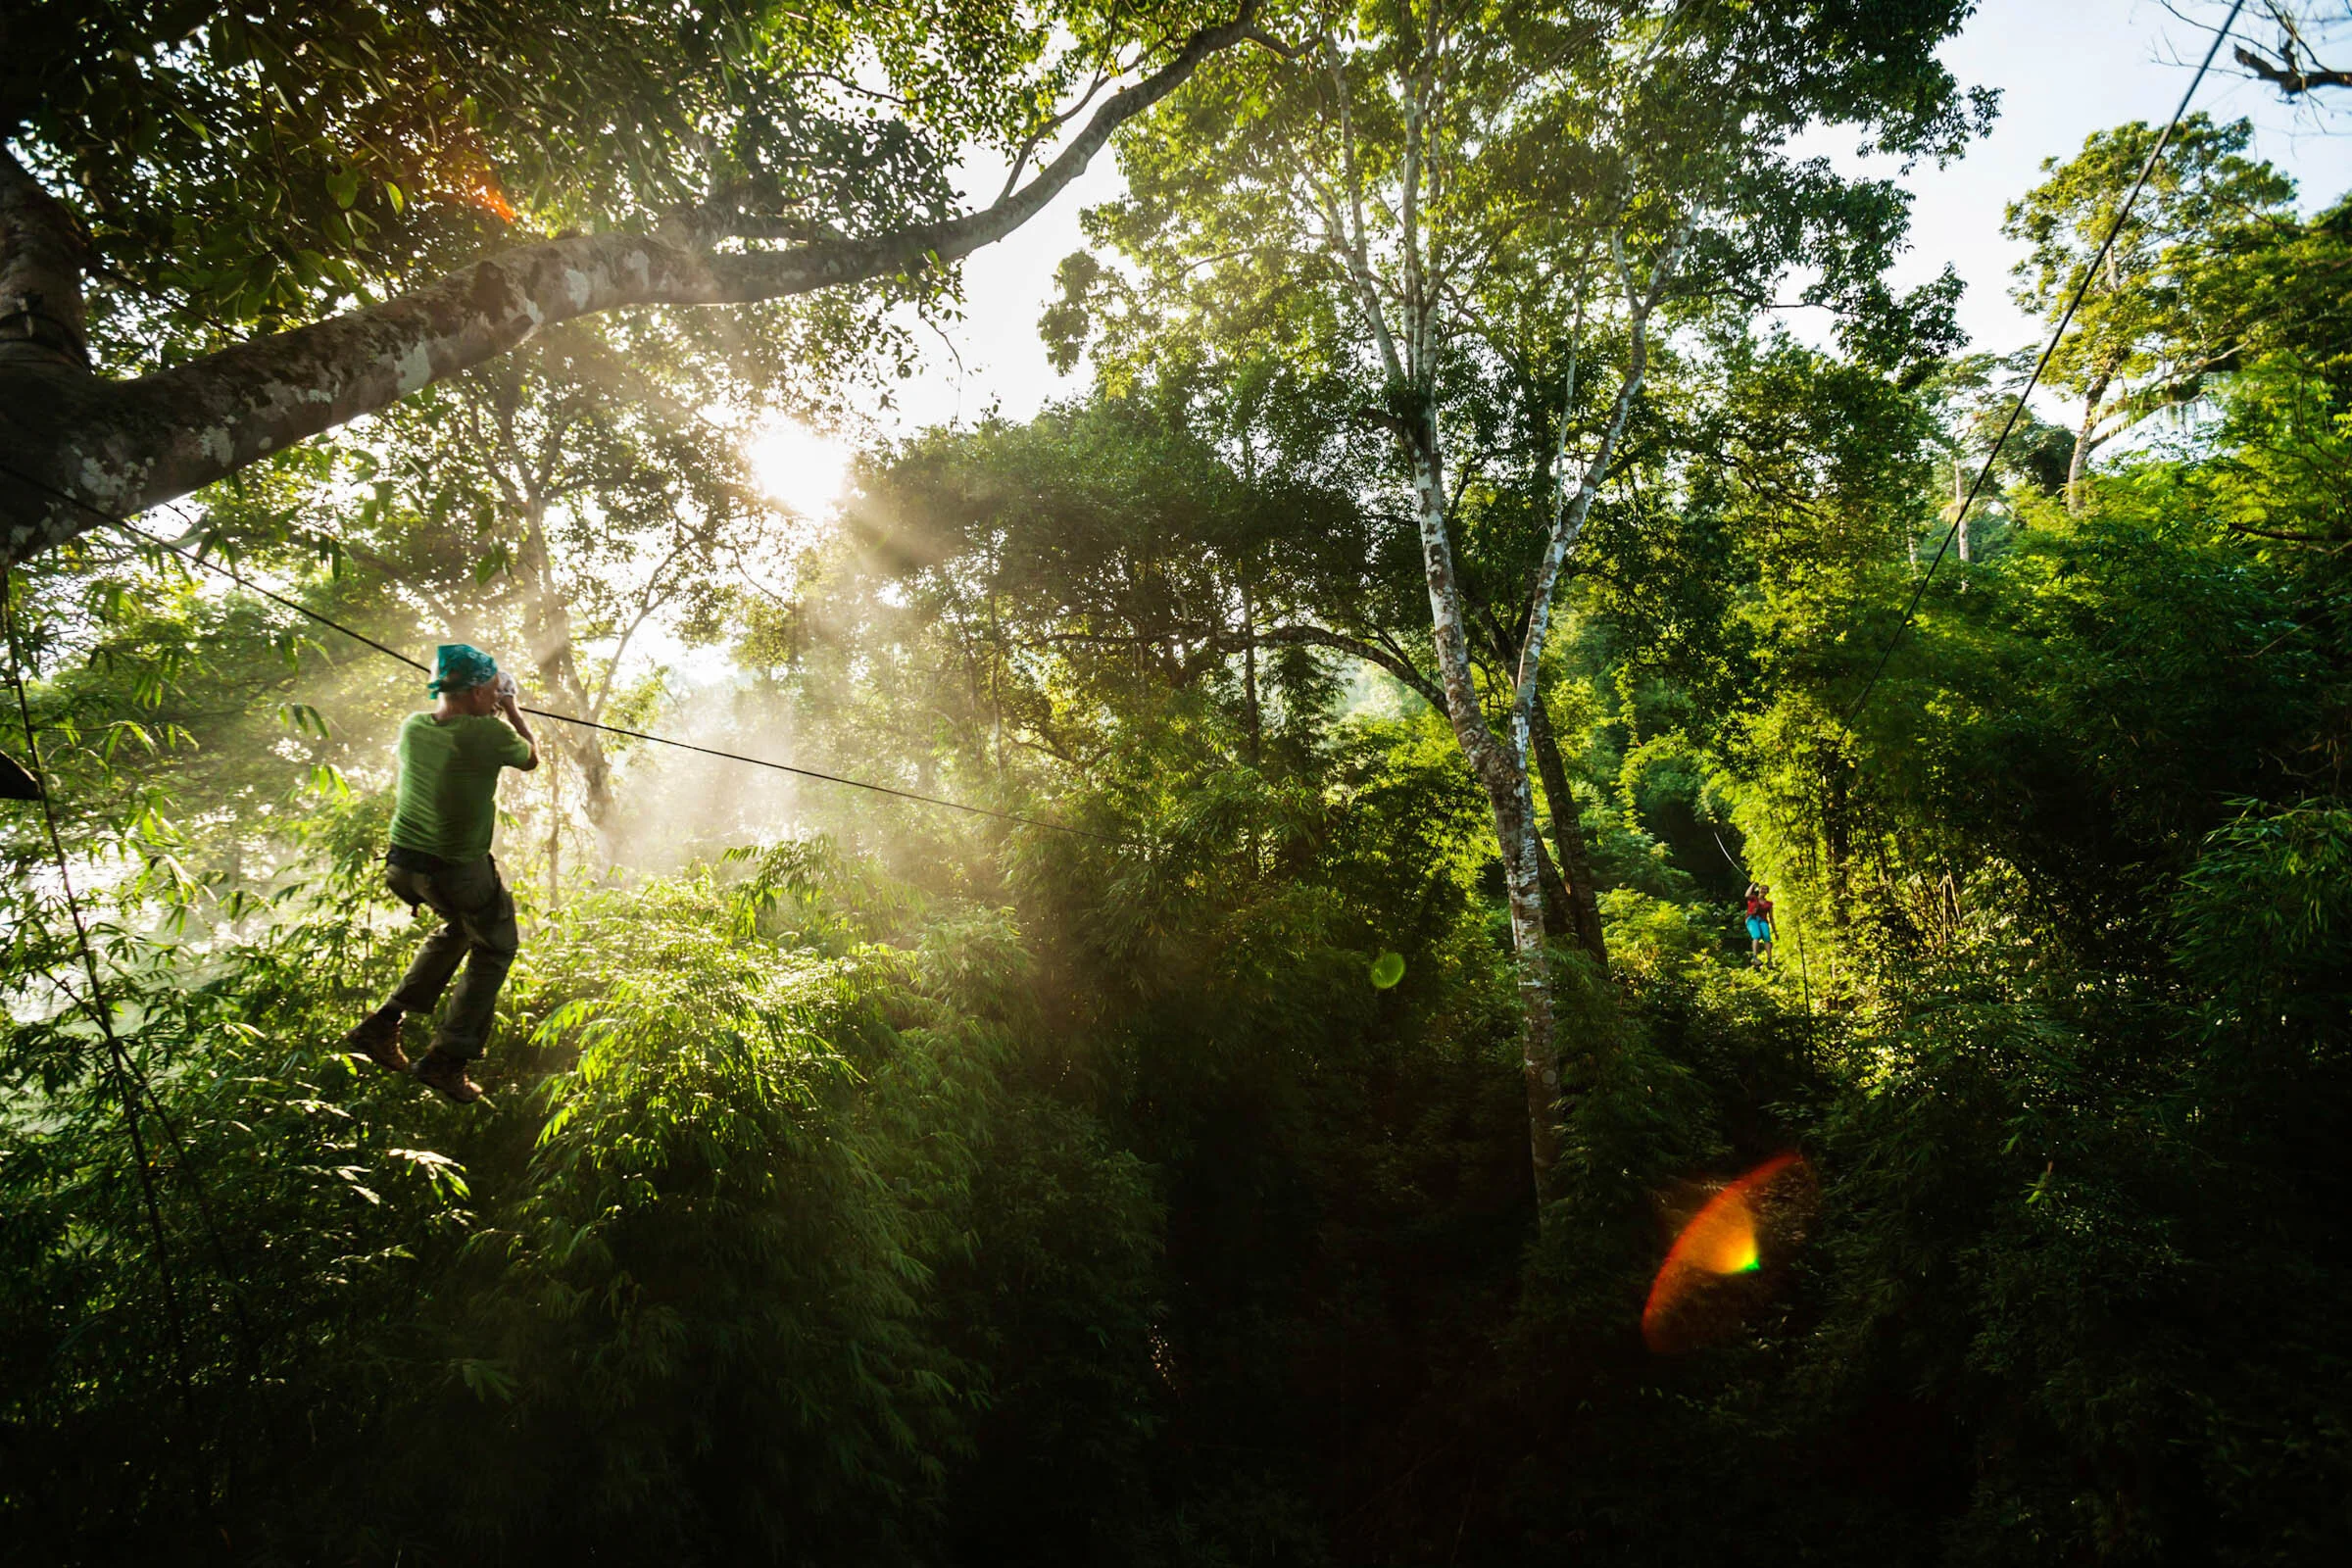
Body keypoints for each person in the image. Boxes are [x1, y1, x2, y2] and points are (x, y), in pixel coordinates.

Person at [339, 643, 538, 1102]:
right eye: (489, 687)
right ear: (472, 692)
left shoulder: (413, 727)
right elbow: (530, 757)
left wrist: (491, 700)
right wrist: (511, 707)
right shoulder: (486, 733)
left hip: (404, 867)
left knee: (461, 929)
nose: (493, 694)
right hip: (456, 871)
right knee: (498, 946)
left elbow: (459, 720)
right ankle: (448, 1059)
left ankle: (382, 1023)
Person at [1745, 884, 1777, 965]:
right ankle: (1755, 958)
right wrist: (1752, 885)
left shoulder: (1769, 904)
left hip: (1762, 920)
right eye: (1762, 888)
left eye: (1766, 889)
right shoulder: (1753, 898)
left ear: (1767, 892)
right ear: (1758, 890)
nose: (1764, 890)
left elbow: (1771, 918)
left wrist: (1775, 932)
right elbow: (1747, 895)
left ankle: (1769, 960)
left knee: (1767, 937)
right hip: (1752, 919)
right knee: (1757, 935)